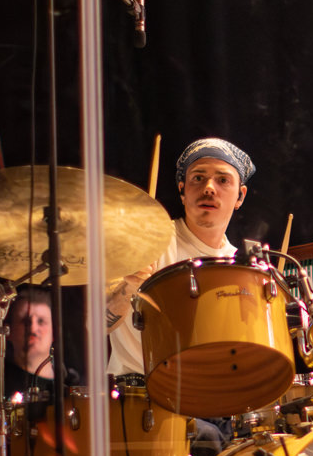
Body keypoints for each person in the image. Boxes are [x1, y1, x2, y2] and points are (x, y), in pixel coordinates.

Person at [105, 136, 255, 375]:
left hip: (207, 398)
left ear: (240, 196)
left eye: (223, 180)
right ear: (182, 190)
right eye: (198, 177)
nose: (208, 188)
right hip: (135, 400)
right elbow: (97, 325)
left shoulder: (240, 268)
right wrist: (127, 289)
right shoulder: (144, 241)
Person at [0, 286, 80, 403]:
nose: (33, 329)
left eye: (41, 321)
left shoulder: (73, 383)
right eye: (25, 321)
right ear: (9, 332)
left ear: (54, 332)